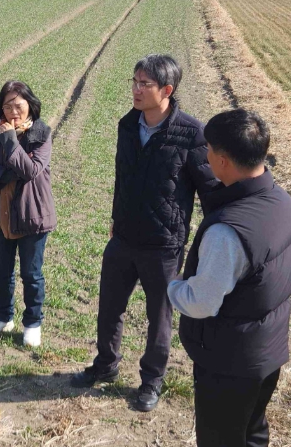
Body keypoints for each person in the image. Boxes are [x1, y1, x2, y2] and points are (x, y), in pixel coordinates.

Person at [70, 54, 218, 412]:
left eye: (144, 84)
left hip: (163, 245)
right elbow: (122, 177)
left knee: (159, 318)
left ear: (167, 90)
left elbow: (210, 191)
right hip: (123, 237)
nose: (136, 90)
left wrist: (211, 239)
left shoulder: (191, 133)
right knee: (109, 308)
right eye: (134, 82)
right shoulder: (128, 124)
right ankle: (105, 364)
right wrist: (115, 218)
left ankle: (152, 380)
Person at [168, 109, 291, 447]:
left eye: (209, 150)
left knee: (220, 439)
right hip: (268, 351)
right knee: (253, 433)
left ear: (222, 161)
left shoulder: (227, 232)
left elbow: (202, 302)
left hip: (229, 363)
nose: (205, 156)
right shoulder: (282, 201)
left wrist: (173, 287)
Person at [0, 80, 57, 347]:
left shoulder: (41, 134)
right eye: (7, 105)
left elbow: (31, 171)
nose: (12, 111)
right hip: (0, 212)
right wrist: (10, 174)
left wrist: (10, 139)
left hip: (32, 214)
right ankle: (3, 317)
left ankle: (32, 323)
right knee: (1, 269)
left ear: (30, 105)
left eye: (18, 105)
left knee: (31, 274)